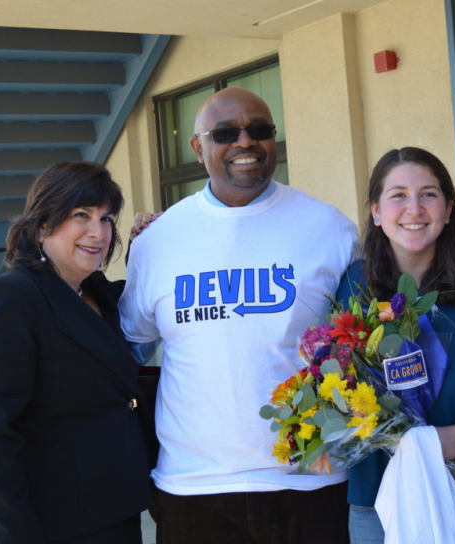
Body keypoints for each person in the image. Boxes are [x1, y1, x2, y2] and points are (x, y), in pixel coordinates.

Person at [119, 86, 358, 543]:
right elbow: (133, 343)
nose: (245, 142)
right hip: (193, 487)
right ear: (197, 147)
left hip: (310, 481)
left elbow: (360, 342)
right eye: (226, 132)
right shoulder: (158, 241)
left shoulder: (329, 228)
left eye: (260, 130)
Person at [0, 162, 152, 544]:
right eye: (81, 215)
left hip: (119, 509)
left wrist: (149, 246)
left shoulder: (99, 294)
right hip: (58, 525)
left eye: (106, 218)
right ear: (43, 225)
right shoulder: (11, 298)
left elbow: (143, 311)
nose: (98, 233)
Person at [336, 147, 455, 544]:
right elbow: (337, 387)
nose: (414, 208)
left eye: (428, 194)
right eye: (398, 195)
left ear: (448, 209)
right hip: (378, 503)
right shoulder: (353, 287)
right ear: (377, 211)